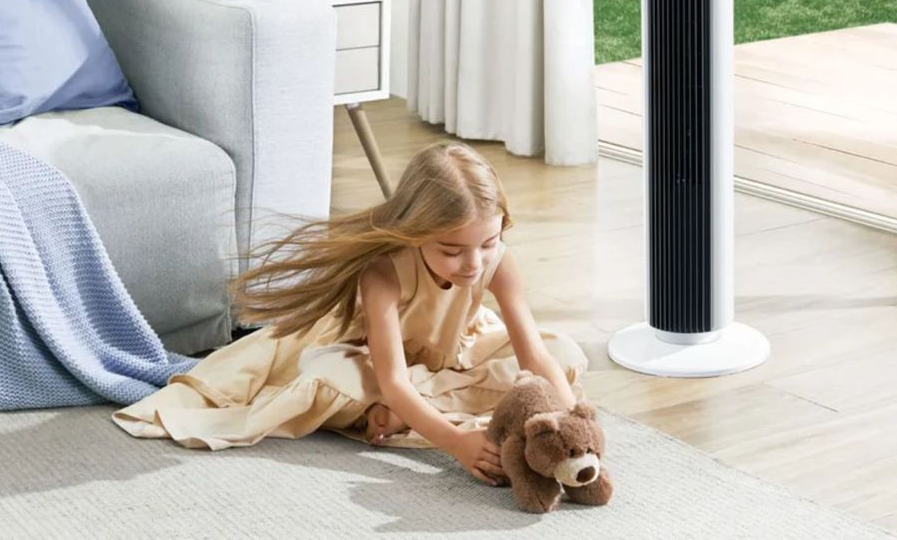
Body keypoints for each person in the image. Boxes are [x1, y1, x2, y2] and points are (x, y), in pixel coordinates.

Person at [112, 141, 588, 487]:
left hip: (452, 356)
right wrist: (455, 443)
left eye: (488, 244)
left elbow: (534, 356)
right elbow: (394, 379)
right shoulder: (383, 273)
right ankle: (411, 412)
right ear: (414, 233)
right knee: (327, 376)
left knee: (563, 353)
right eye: (453, 251)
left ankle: (402, 416)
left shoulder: (498, 262)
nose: (474, 263)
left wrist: (576, 425)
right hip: (377, 364)